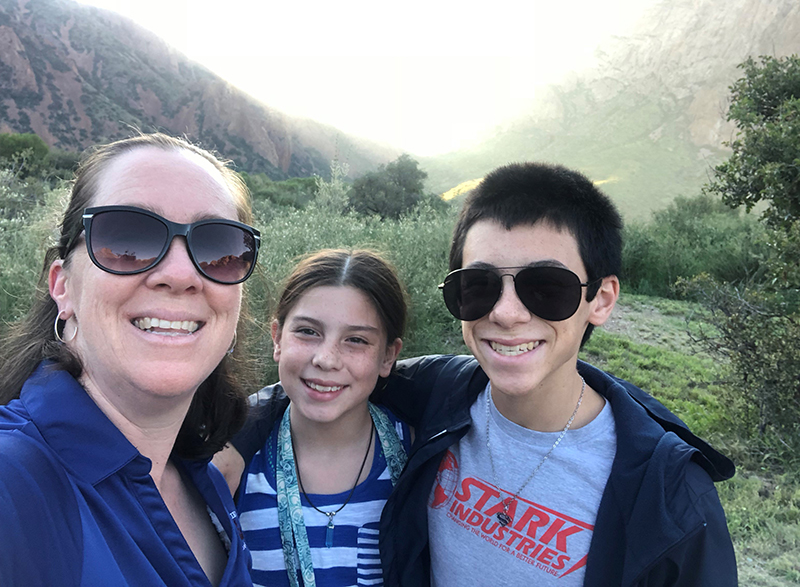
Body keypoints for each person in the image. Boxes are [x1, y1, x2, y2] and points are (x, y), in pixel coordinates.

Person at [373, 162, 738, 586]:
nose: (506, 313)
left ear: (600, 300)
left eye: (546, 288)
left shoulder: (671, 498)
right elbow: (336, 380)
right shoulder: (439, 392)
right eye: (478, 285)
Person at [0, 133, 261, 586]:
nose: (180, 275)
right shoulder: (14, 484)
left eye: (219, 248)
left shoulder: (206, 486)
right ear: (63, 286)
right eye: (127, 238)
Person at [218, 249, 410, 587]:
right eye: (308, 332)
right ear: (277, 338)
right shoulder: (234, 470)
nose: (326, 359)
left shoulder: (422, 457)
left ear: (388, 357)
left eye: (356, 340)